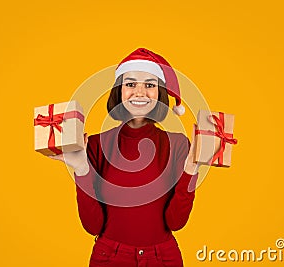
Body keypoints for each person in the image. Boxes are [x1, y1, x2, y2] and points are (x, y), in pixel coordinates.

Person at [49, 48, 199, 267]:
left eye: (149, 85)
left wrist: (191, 169)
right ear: (119, 92)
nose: (139, 92)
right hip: (109, 257)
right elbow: (93, 226)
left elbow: (175, 222)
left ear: (160, 94)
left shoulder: (177, 144)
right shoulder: (95, 145)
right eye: (130, 84)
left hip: (163, 258)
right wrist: (81, 168)